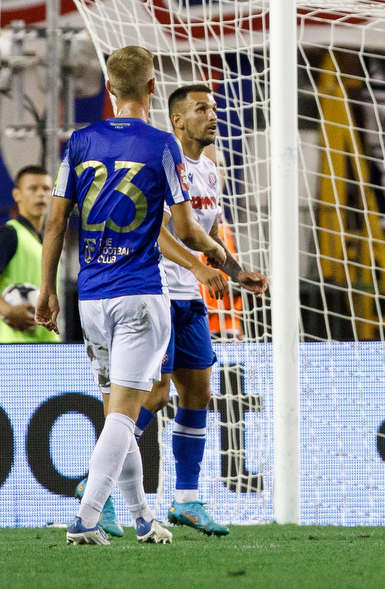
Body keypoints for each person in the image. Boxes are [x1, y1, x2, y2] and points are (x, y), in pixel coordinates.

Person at [37, 46, 230, 546]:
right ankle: (85, 515)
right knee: (128, 413)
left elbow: (56, 221)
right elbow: (185, 227)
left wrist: (46, 290)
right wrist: (224, 264)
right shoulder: (162, 145)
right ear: (150, 90)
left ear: (108, 91)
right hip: (141, 295)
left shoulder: (79, 141)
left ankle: (143, 516)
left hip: (90, 296)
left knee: (117, 415)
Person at [135, 84, 267, 536]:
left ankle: (187, 499)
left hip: (190, 297)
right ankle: (101, 484)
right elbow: (157, 233)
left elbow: (203, 233)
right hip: (156, 293)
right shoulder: (162, 164)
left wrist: (234, 270)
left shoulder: (211, 170)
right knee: (153, 396)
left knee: (199, 396)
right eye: (201, 109)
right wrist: (197, 265)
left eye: (214, 107)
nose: (212, 115)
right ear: (177, 119)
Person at [0, 165, 61, 344]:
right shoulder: (9, 234)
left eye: (46, 188)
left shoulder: (47, 240)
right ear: (17, 195)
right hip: (10, 346)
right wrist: (8, 310)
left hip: (47, 345)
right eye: (33, 188)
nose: (40, 194)